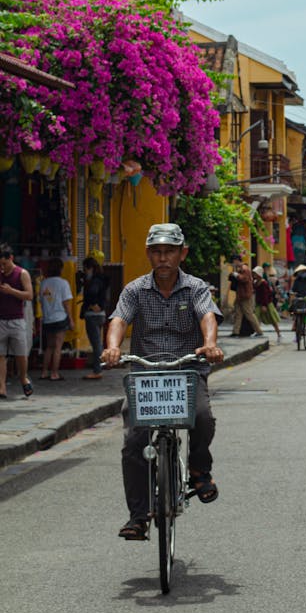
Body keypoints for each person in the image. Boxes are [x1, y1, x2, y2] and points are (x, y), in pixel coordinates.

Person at [102, 222, 224, 541]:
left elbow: (207, 316)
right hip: (145, 374)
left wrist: (209, 344)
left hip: (186, 371)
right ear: (148, 254)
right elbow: (119, 319)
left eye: (169, 251)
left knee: (202, 418)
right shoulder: (135, 290)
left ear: (182, 253)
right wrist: (114, 347)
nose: (163, 258)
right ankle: (139, 516)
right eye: (157, 252)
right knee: (133, 443)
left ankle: (198, 469)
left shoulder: (195, 287)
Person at [0, 243, 34, 398]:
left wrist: (11, 291)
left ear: (10, 258)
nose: (2, 267)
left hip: (17, 320)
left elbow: (29, 295)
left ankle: (23, 378)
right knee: (1, 355)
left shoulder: (22, 273)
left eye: (4, 264)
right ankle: (2, 387)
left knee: (21, 355)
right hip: (1, 320)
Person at [39, 257, 74, 382]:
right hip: (60, 317)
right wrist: (71, 319)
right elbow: (66, 303)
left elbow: (42, 301)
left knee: (49, 347)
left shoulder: (44, 283)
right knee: (58, 347)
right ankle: (54, 373)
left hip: (47, 319)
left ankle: (44, 372)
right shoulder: (63, 283)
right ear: (61, 269)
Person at [80, 256, 110, 380]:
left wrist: (92, 304)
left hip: (92, 315)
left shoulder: (94, 281)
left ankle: (97, 370)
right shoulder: (103, 279)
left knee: (96, 344)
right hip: (101, 314)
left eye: (85, 269)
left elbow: (92, 293)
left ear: (90, 268)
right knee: (98, 343)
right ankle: (101, 366)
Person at [232, 260, 265, 338]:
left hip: (245, 295)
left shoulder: (245, 269)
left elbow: (244, 279)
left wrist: (236, 275)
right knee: (238, 314)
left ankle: (259, 331)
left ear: (237, 261)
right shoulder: (240, 269)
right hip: (240, 295)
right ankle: (235, 332)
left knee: (249, 314)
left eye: (234, 262)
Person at [253, 266, 282, 344]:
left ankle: (279, 334)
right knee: (256, 317)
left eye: (255, 273)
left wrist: (264, 305)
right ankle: (258, 331)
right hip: (259, 303)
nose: (254, 274)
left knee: (272, 319)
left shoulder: (263, 283)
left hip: (266, 303)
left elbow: (266, 294)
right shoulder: (256, 282)